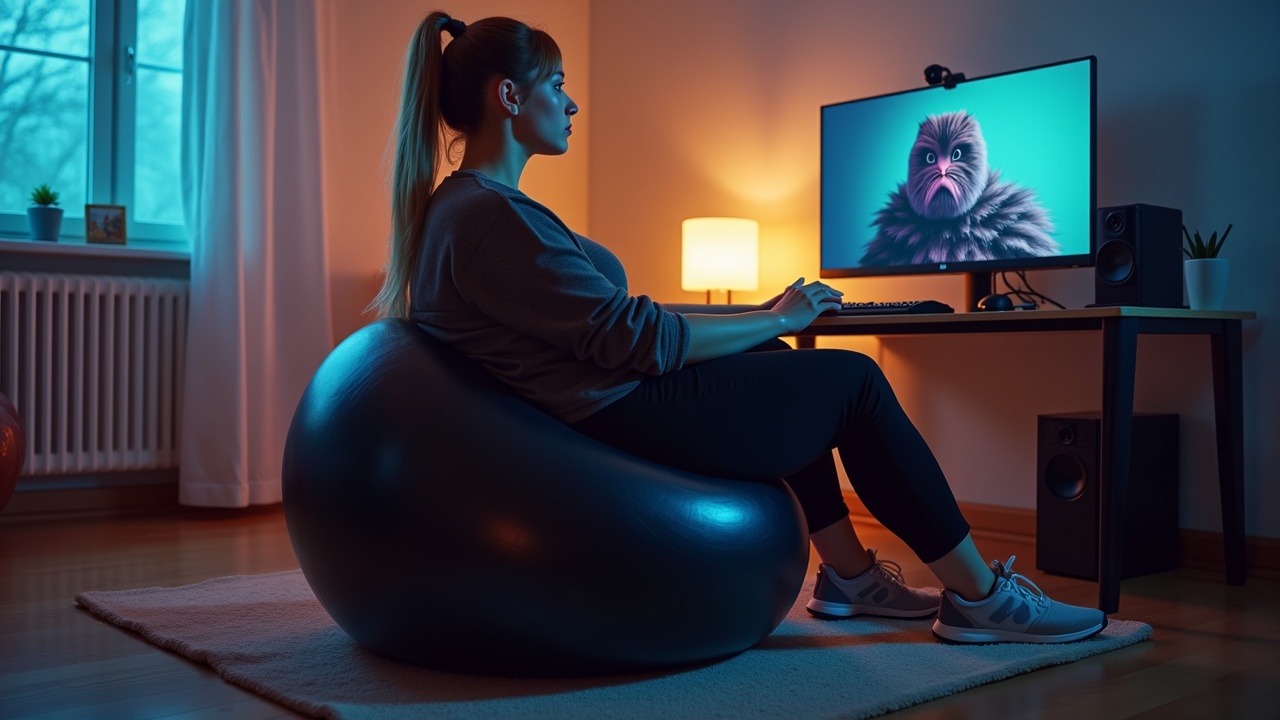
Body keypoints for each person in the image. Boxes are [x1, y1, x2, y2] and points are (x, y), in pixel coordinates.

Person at [373, 11, 1108, 645]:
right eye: (558, 85)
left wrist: (764, 314)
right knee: (852, 379)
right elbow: (636, 341)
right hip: (611, 412)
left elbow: (628, 320)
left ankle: (850, 579)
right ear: (509, 96)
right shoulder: (491, 217)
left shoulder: (472, 208)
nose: (571, 105)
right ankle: (983, 599)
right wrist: (782, 314)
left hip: (601, 400)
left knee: (774, 351)